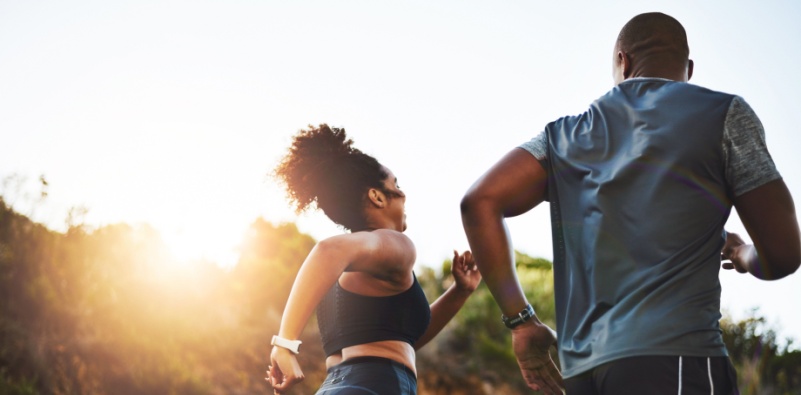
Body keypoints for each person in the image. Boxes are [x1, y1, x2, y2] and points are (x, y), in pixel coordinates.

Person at [460, 12, 800, 395]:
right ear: (688, 68)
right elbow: (784, 255)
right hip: (677, 361)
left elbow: (479, 202)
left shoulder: (564, 136)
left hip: (585, 376)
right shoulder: (724, 114)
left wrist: (521, 322)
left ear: (623, 61)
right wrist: (742, 255)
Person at [268, 124, 481, 394]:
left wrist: (460, 291)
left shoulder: (342, 276)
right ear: (377, 196)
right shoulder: (397, 246)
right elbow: (327, 250)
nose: (403, 194)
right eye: (396, 185)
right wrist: (284, 344)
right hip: (377, 384)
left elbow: (403, 339)